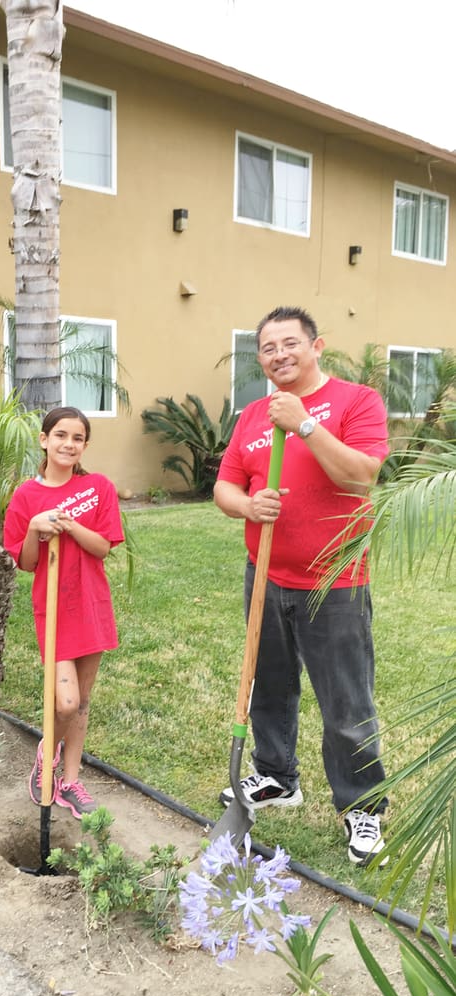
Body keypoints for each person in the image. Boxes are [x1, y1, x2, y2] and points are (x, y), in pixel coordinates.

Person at [213, 305, 390, 867]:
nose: (279, 355)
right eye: (268, 348)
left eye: (290, 344)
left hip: (335, 583)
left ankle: (362, 806)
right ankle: (275, 776)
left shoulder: (356, 402)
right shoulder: (251, 416)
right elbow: (225, 487)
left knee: (345, 702)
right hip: (265, 574)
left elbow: (361, 476)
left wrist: (306, 426)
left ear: (317, 347)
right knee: (268, 687)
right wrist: (248, 503)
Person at [3, 406, 124, 819]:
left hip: (91, 604)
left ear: (85, 445)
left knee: (83, 700)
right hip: (53, 609)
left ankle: (70, 780)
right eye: (60, 435)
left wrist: (69, 524)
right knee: (66, 701)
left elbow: (104, 546)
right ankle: (47, 753)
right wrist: (37, 526)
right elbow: (27, 562)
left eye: (77, 438)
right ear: (44, 439)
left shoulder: (99, 487)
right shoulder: (26, 497)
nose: (68, 444)